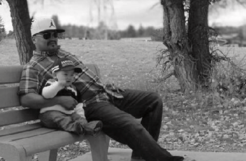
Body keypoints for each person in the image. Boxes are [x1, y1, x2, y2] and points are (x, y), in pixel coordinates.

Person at [19, 18, 184, 161]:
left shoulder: (64, 54)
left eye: (55, 34)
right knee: (131, 124)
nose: (53, 38)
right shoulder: (33, 67)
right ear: (34, 39)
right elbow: (26, 98)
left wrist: (103, 85)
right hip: (89, 104)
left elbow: (82, 77)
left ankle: (140, 155)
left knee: (153, 100)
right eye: (47, 35)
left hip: (106, 94)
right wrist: (59, 100)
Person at [39, 57, 103, 135]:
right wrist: (59, 84)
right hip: (49, 114)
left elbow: (78, 105)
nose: (69, 77)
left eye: (72, 75)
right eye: (65, 74)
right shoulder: (52, 83)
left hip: (69, 114)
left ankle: (88, 127)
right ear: (55, 75)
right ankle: (76, 128)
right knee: (60, 118)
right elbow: (46, 94)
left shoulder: (73, 89)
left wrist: (82, 117)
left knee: (78, 118)